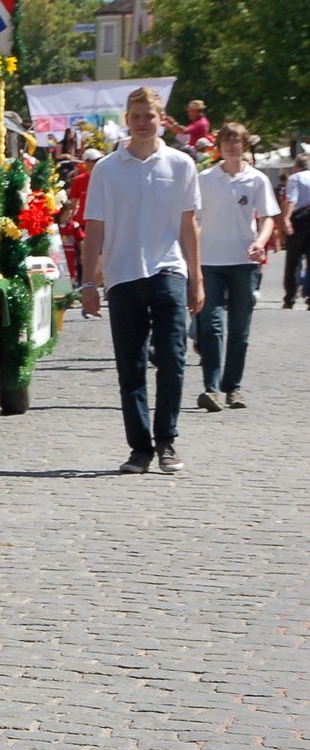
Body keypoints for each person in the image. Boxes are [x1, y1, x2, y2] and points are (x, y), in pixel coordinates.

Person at [80, 87, 203, 475]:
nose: (142, 123)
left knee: (172, 357)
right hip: (122, 273)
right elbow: (94, 228)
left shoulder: (181, 164)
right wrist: (87, 282)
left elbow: (189, 226)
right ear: (127, 119)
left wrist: (196, 278)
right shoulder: (107, 169)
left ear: (160, 117)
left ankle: (166, 440)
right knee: (130, 366)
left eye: (149, 115)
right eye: (135, 116)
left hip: (168, 269)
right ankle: (140, 448)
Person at [192, 123, 276, 412]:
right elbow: (192, 216)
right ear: (219, 145)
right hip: (210, 261)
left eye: (236, 141)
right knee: (211, 326)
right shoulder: (204, 178)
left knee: (240, 329)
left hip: (244, 262)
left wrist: (261, 242)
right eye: (226, 141)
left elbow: (267, 218)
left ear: (244, 145)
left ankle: (233, 388)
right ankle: (211, 388)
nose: (231, 146)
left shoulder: (257, 180)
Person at [281, 155, 310, 309]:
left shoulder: (295, 178)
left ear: (296, 166)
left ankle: (290, 297)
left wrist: (286, 218)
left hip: (300, 219)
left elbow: (292, 198)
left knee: (293, 260)